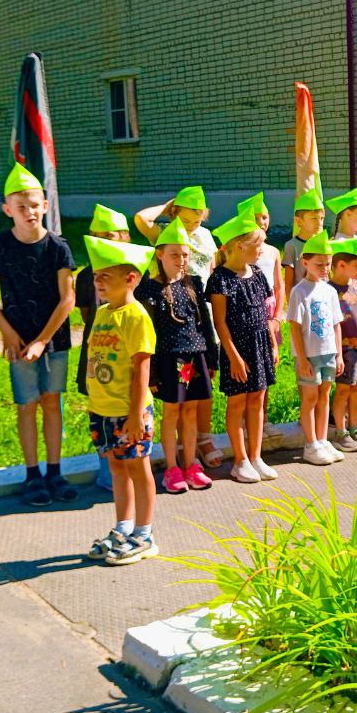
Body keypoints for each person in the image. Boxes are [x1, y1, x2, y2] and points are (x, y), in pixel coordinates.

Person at [0, 164, 77, 508]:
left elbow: (68, 299)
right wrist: (7, 332)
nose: (29, 212)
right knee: (27, 404)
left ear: (45, 206)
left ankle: (55, 471)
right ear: (7, 210)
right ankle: (32, 474)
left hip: (53, 339)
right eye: (20, 206)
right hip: (18, 340)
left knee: (52, 402)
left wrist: (42, 340)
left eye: (34, 205)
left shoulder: (58, 247)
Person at [82, 236, 159, 566]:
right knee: (116, 467)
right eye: (96, 276)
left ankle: (144, 534)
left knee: (138, 468)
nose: (98, 282)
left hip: (129, 411)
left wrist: (136, 413)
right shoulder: (102, 312)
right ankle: (124, 527)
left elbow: (141, 368)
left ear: (130, 279)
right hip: (103, 409)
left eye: (105, 276)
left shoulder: (135, 316)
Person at [134, 185, 222, 471]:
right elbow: (140, 219)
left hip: (197, 313)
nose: (193, 223)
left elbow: (210, 269)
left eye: (198, 217)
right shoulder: (165, 234)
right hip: (168, 319)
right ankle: (179, 458)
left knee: (199, 394)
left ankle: (200, 443)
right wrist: (168, 205)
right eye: (187, 217)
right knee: (175, 403)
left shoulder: (205, 237)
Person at [208, 215, 277, 482]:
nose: (261, 251)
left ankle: (256, 456)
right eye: (257, 245)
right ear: (239, 246)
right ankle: (240, 460)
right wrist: (234, 357)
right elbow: (220, 323)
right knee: (238, 402)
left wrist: (272, 344)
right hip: (236, 349)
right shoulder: (220, 279)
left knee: (257, 399)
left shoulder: (257, 273)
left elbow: (265, 314)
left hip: (259, 345)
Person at [76, 203, 129, 491]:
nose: (102, 242)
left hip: (129, 354)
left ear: (124, 237)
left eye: (108, 236)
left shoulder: (136, 273)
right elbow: (87, 315)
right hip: (98, 354)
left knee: (130, 409)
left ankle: (131, 466)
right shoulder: (86, 276)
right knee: (101, 411)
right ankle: (107, 472)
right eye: (96, 237)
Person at [286, 232, 345, 466]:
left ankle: (322, 440)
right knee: (310, 398)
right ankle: (310, 444)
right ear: (305, 262)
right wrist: (302, 359)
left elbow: (336, 324)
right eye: (319, 264)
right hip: (309, 355)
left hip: (328, 352)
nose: (324, 268)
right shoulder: (299, 291)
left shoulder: (329, 290)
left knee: (324, 396)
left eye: (327, 264)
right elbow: (294, 327)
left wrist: (339, 355)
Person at [237, 192, 284, 439]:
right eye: (256, 218)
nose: (262, 222)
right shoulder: (242, 253)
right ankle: (246, 421)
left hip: (269, 316)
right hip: (249, 316)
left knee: (268, 369)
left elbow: (279, 286)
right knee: (250, 371)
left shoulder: (273, 251)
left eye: (265, 217)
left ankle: (263, 418)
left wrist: (276, 318)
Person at [328, 236, 357, 454]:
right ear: (341, 265)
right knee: (343, 391)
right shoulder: (329, 289)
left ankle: (355, 429)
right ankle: (341, 432)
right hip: (346, 350)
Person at [281, 188, 325, 305]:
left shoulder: (324, 245)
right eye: (314, 218)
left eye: (321, 218)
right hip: (302, 301)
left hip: (322, 300)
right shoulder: (291, 246)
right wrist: (292, 307)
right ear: (299, 221)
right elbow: (289, 282)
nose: (319, 223)